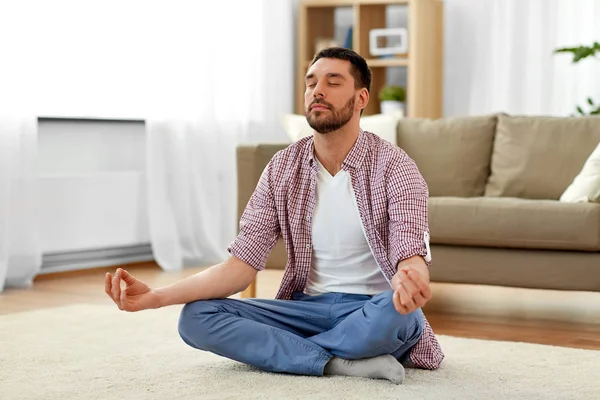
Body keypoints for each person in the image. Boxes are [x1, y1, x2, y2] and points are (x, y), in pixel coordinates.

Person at [104, 47, 444, 385]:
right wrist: (157, 297)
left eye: (333, 81)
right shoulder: (282, 167)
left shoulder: (396, 166)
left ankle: (302, 356)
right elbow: (239, 268)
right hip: (303, 310)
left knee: (402, 317)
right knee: (196, 317)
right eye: (311, 83)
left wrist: (410, 280)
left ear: (361, 98)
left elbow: (409, 252)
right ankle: (339, 361)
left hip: (372, 308)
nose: (317, 90)